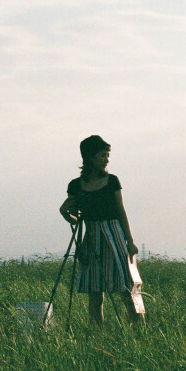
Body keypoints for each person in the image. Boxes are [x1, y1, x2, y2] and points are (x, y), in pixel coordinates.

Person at [59, 135, 145, 326]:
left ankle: (140, 328)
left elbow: (121, 211)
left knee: (127, 287)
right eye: (102, 155)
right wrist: (65, 213)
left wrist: (130, 242)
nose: (106, 159)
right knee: (94, 291)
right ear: (90, 157)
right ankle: (97, 335)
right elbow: (75, 218)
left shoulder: (112, 181)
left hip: (114, 234)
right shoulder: (75, 186)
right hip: (90, 238)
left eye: (107, 155)